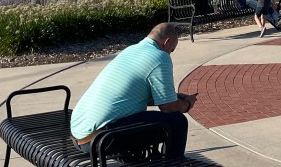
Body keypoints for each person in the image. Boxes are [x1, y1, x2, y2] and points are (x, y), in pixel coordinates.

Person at [70, 23, 197, 156]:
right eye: (172, 50)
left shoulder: (131, 50)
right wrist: (187, 104)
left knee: (141, 119)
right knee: (178, 122)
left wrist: (174, 96)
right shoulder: (160, 57)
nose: (170, 53)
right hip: (100, 140)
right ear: (167, 42)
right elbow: (169, 108)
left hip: (80, 135)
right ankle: (172, 163)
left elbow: (134, 96)